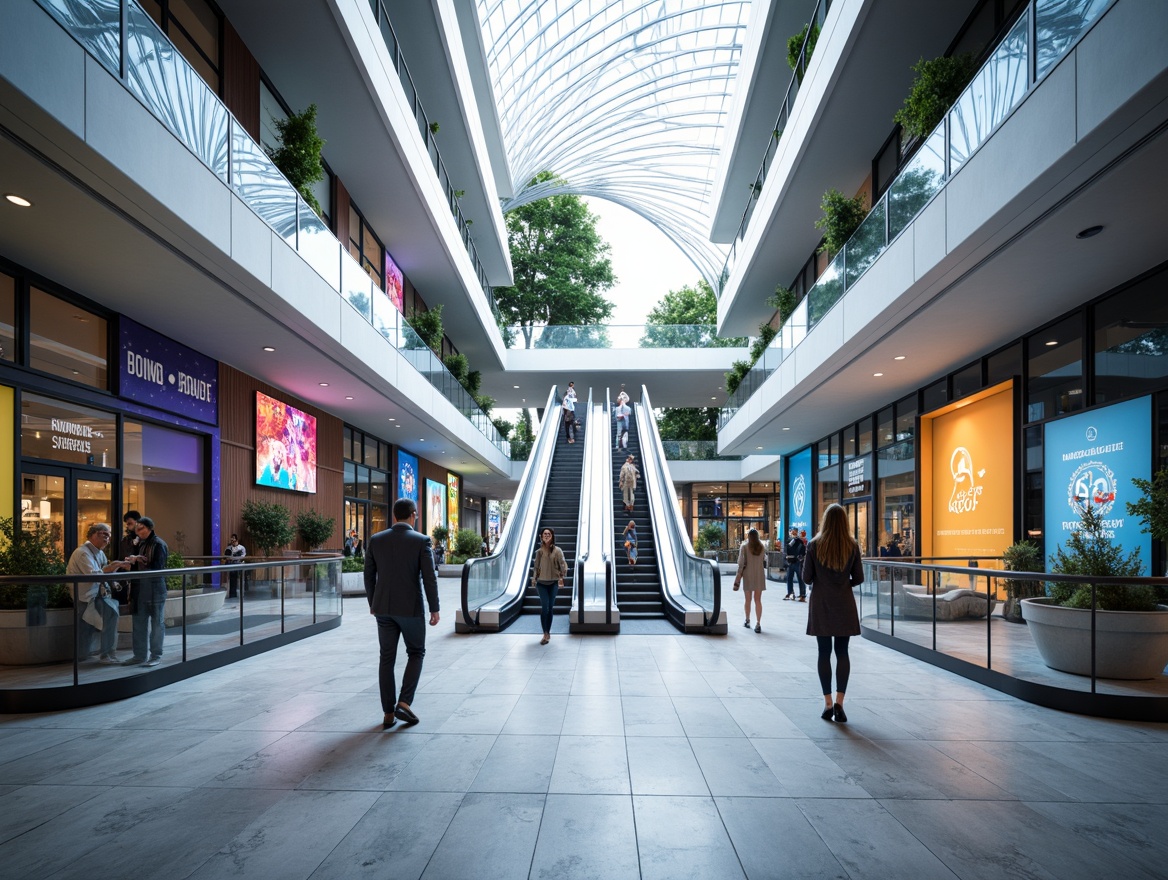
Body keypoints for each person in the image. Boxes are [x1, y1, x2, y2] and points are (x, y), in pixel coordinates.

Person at [365, 498, 440, 729]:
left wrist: (373, 603)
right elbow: (429, 577)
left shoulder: (376, 540)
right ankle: (404, 703)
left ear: (394, 516)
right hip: (410, 609)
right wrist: (434, 607)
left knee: (386, 658)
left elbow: (369, 575)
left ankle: (388, 713)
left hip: (383, 609)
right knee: (416, 652)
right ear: (413, 515)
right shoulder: (421, 541)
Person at [802, 503, 864, 723]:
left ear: (825, 521)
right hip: (844, 604)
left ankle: (827, 703)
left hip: (821, 604)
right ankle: (840, 703)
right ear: (844, 522)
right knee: (843, 653)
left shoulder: (814, 545)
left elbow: (806, 578)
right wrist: (843, 581)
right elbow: (859, 578)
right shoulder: (852, 545)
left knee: (823, 652)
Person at [65, 523, 131, 663]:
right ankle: (104, 655)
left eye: (109, 536)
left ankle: (87, 655)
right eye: (104, 535)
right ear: (92, 535)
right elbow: (93, 574)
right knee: (105, 617)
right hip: (86, 595)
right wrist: (114, 566)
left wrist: (115, 570)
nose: (108, 539)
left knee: (89, 624)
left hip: (96, 594)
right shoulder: (82, 552)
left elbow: (103, 571)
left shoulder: (99, 553)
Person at [123, 516, 169, 668]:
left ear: (149, 528)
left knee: (157, 623)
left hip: (155, 588)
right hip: (139, 589)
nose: (139, 531)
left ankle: (155, 655)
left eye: (141, 528)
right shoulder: (139, 543)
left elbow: (158, 567)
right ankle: (139, 655)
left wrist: (139, 560)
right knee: (139, 623)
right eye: (137, 529)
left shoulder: (158, 544)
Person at [530, 527, 567, 646]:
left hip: (553, 583)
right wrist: (534, 579)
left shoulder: (557, 551)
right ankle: (545, 633)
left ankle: (548, 631)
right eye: (544, 534)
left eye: (548, 534)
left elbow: (562, 564)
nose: (546, 535)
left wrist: (563, 574)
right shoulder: (539, 552)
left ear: (552, 536)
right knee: (544, 607)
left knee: (550, 608)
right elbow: (536, 567)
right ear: (541, 536)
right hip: (541, 583)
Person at [734, 528, 768, 632]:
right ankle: (758, 623)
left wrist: (738, 576)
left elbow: (740, 563)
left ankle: (747, 620)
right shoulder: (762, 547)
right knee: (758, 600)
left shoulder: (744, 547)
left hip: (748, 575)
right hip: (759, 575)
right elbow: (764, 559)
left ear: (748, 536)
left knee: (747, 600)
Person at [113, 510, 141, 609]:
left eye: (130, 523)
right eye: (127, 524)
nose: (128, 526)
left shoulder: (145, 540)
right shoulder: (125, 540)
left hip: (138, 577)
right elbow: (121, 557)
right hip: (126, 576)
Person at [783, 527, 807, 601]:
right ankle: (791, 593)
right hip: (792, 562)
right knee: (790, 578)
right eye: (792, 531)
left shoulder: (799, 541)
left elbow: (802, 550)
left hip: (796, 562)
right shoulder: (791, 540)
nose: (793, 533)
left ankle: (801, 595)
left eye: (794, 531)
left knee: (799, 578)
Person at [223, 533, 246, 598]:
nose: (233, 541)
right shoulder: (228, 548)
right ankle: (232, 593)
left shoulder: (241, 548)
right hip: (231, 565)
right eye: (231, 540)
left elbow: (243, 556)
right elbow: (225, 556)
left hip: (238, 564)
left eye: (234, 540)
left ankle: (240, 593)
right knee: (232, 578)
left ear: (237, 540)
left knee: (239, 579)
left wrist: (235, 558)